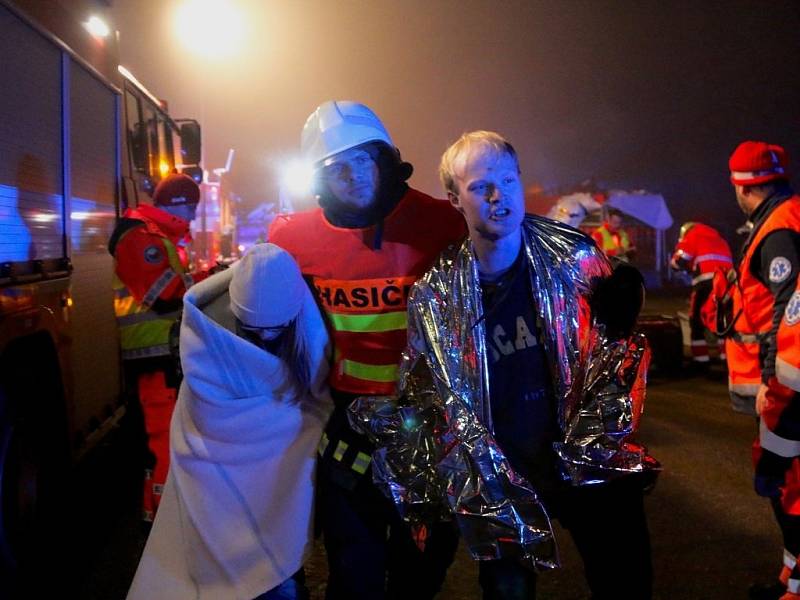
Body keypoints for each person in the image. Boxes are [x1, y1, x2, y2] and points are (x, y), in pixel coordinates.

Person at [355, 131, 656, 599]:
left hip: (580, 457)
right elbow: (424, 397)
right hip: (500, 478)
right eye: (481, 187)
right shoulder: (437, 296)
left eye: (509, 181)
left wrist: (627, 296)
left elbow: (617, 354)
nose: (500, 197)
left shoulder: (572, 259)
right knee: (507, 591)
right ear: (455, 199)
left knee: (625, 579)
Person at [268, 100, 466, 600]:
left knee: (419, 576)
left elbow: (513, 263)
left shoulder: (444, 223)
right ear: (320, 177)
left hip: (431, 432)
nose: (352, 176)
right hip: (347, 434)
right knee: (352, 575)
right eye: (336, 167)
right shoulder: (292, 239)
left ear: (385, 160)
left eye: (362, 160)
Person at [127, 243, 332, 600]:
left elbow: (315, 392)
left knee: (273, 559)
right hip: (211, 473)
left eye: (276, 329)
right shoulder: (207, 333)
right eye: (255, 329)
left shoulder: (304, 316)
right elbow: (207, 415)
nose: (267, 337)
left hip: (269, 480)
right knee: (219, 545)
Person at [706, 141, 800, 600]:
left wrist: (772, 383)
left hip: (787, 387)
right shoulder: (788, 218)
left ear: (742, 187)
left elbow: (789, 313)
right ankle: (791, 578)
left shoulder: (777, 233)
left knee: (788, 486)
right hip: (786, 382)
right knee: (788, 489)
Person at [108, 172, 209, 522]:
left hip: (162, 354)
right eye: (192, 207)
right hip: (152, 357)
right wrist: (208, 283)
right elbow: (164, 295)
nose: (194, 216)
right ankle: (166, 522)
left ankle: (162, 517)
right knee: (163, 441)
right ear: (178, 204)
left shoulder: (157, 236)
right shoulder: (140, 238)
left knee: (167, 440)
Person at [670, 221, 733, 365]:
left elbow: (680, 259)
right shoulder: (720, 240)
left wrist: (675, 265)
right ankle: (725, 358)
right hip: (726, 285)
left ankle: (701, 360)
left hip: (705, 283)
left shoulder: (693, 235)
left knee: (696, 321)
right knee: (722, 321)